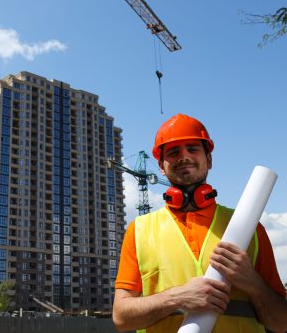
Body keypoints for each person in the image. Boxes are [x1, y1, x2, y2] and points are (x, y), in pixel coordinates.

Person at [112, 113, 287, 333]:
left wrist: (252, 282)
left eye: (192, 149)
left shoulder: (249, 228)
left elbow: (282, 323)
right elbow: (121, 318)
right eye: (174, 152)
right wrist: (177, 297)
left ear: (209, 159)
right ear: (161, 166)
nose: (183, 157)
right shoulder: (139, 231)